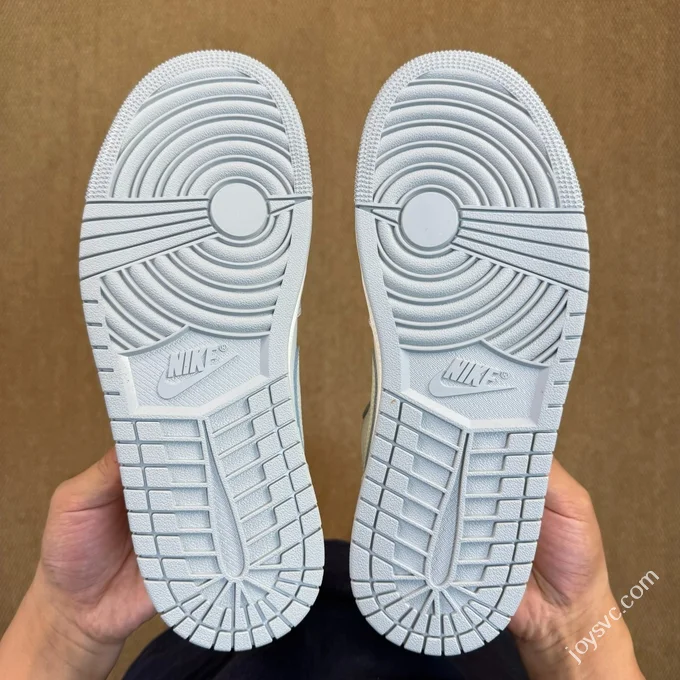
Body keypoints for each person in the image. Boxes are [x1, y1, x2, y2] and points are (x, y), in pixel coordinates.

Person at [0, 448, 644, 679]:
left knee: (230, 632)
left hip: (228, 638)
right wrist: (570, 630)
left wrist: (67, 628)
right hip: (451, 641)